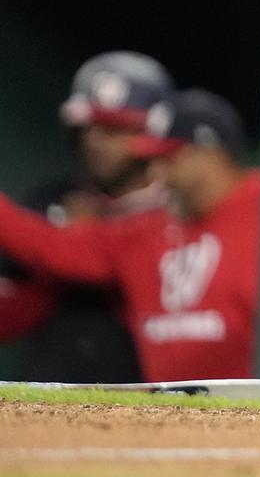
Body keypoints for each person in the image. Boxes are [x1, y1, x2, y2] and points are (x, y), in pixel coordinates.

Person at [0, 88, 260, 382]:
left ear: (209, 153)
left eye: (169, 159)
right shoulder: (145, 231)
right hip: (167, 423)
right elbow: (49, 246)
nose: (157, 174)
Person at [0, 52, 171, 382]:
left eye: (115, 129)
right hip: (49, 398)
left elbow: (97, 265)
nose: (95, 141)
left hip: (150, 404)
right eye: (88, 128)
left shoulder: (178, 211)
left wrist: (80, 238)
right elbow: (19, 304)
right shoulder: (51, 201)